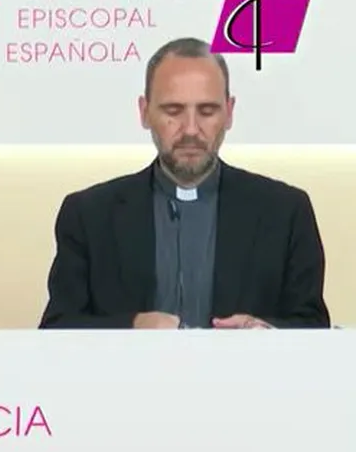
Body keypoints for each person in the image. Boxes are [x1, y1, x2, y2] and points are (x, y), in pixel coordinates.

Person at [39, 37, 329, 330]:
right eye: (173, 111)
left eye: (207, 111)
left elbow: (314, 327)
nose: (191, 130)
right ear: (144, 112)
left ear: (229, 112)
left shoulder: (285, 212)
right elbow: (57, 327)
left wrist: (264, 332)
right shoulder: (89, 215)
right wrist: (134, 325)